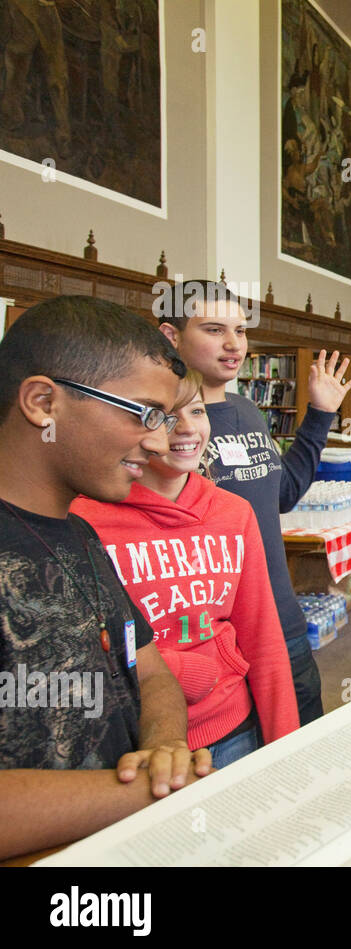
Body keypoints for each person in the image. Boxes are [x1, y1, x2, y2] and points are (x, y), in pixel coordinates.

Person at [0, 296, 211, 859]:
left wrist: (165, 746)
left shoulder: (82, 536)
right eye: (143, 414)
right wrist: (153, 792)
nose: (162, 441)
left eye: (164, 420)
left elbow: (147, 669)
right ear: (43, 403)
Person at [72, 370, 299, 768]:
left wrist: (287, 749)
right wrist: (178, 669)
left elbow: (262, 636)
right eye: (168, 416)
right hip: (128, 745)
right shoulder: (84, 518)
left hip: (231, 731)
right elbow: (78, 651)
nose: (189, 429)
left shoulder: (234, 512)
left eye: (197, 410)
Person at [157, 280, 351, 725]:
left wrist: (321, 414)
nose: (233, 345)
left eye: (241, 331)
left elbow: (283, 495)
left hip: (283, 620)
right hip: (219, 636)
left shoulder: (246, 410)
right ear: (172, 337)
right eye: (213, 330)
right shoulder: (166, 430)